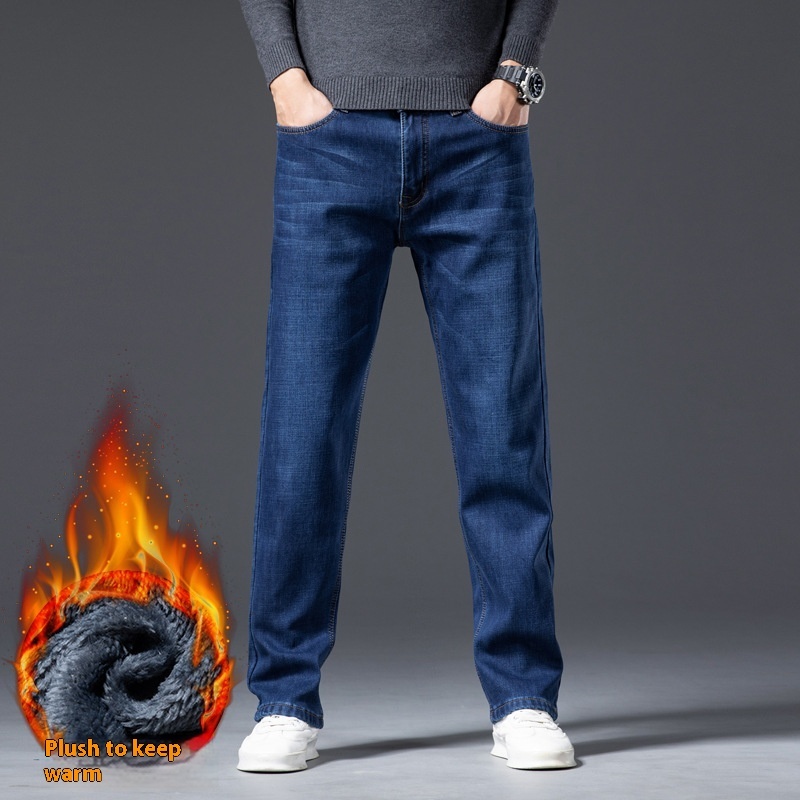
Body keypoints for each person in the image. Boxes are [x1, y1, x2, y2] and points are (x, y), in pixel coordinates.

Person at [235, 0, 576, 772]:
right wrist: (286, 80)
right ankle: (284, 697)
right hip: (328, 141)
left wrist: (513, 75)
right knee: (301, 432)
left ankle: (523, 696)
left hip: (476, 141)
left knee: (503, 430)